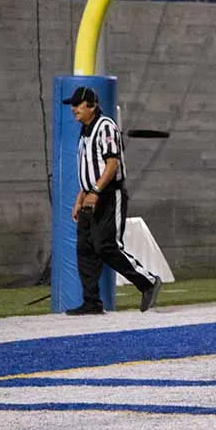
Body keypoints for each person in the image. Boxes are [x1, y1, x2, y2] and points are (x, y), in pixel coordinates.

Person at [63, 86, 162, 315]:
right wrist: (80, 197)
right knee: (85, 249)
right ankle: (91, 302)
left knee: (107, 246)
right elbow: (87, 169)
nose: (74, 109)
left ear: (92, 105)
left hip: (108, 194)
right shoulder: (85, 130)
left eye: (78, 104)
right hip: (90, 195)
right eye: (73, 105)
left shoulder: (105, 126)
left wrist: (96, 192)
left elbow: (112, 164)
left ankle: (147, 281)